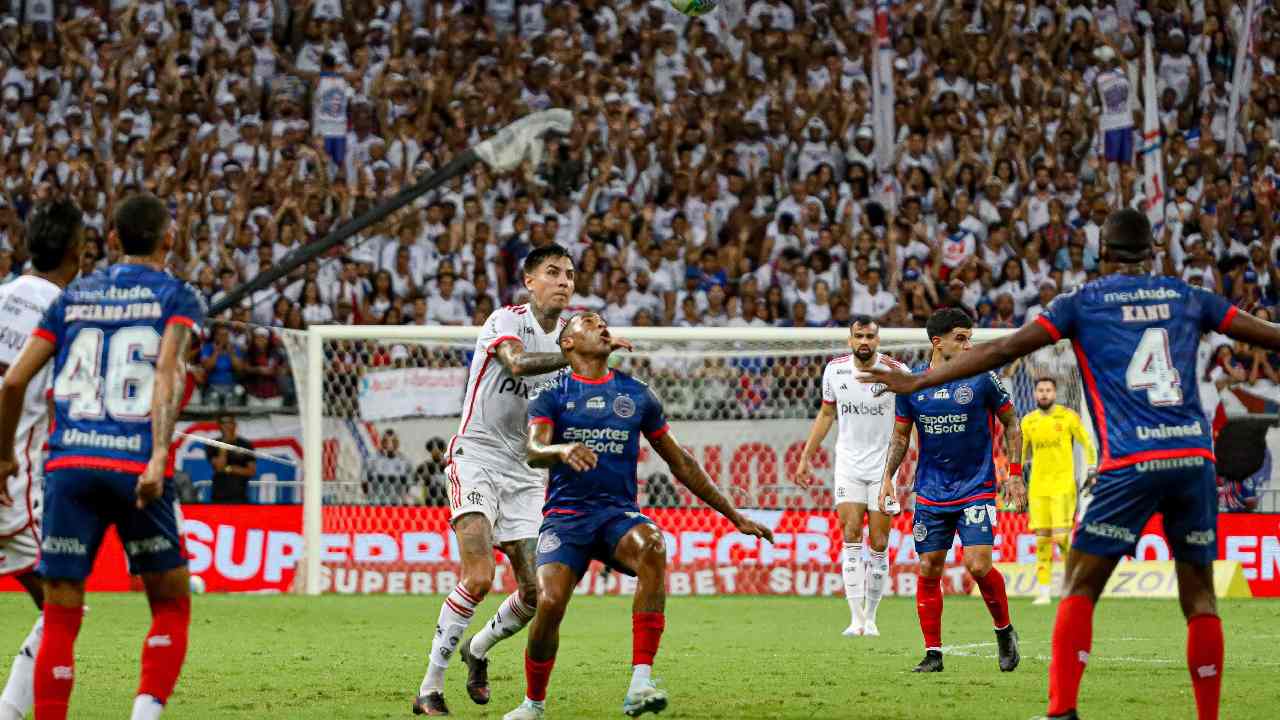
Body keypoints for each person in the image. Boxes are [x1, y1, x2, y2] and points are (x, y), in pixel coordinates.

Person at [861, 208, 1280, 720]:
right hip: (1193, 459)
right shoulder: (1188, 296)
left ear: (1100, 253)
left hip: (1131, 462)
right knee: (1200, 600)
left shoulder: (1083, 302)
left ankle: (1061, 712)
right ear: (1153, 252)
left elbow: (1007, 349)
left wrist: (918, 381)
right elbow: (1267, 334)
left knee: (1079, 586)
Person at [502, 313, 773, 720]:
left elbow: (680, 462)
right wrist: (561, 450)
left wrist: (733, 515)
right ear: (568, 344)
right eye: (589, 322)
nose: (601, 326)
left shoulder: (637, 394)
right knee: (551, 601)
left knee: (653, 545)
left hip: (617, 516)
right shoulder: (552, 393)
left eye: (604, 322)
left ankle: (640, 683)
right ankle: (533, 704)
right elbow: (533, 449)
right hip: (565, 519)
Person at [0, 193, 206, 720]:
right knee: (157, 604)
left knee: (60, 610)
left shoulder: (64, 297)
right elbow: (163, 374)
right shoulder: (172, 296)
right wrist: (160, 453)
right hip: (111, 465)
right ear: (169, 239)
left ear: (110, 240)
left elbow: (18, 379)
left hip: (66, 469)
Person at [414, 245, 631, 716]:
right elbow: (515, 363)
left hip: (527, 472)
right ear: (530, 281)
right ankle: (430, 686)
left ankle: (478, 649)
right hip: (476, 456)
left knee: (540, 593)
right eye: (552, 273)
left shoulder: (577, 340)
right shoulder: (506, 320)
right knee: (479, 576)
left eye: (570, 275)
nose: (564, 282)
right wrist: (572, 355)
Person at [878, 308, 1026, 674]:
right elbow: (900, 436)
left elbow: (1012, 422)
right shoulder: (912, 386)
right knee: (929, 567)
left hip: (976, 486)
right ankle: (933, 653)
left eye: (969, 337)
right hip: (930, 490)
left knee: (977, 565)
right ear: (937, 342)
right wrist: (887, 478)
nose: (968, 344)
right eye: (961, 338)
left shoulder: (982, 379)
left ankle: (1004, 631)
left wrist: (1015, 473)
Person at [0, 198, 84, 720]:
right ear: (78, 251)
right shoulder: (64, 314)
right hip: (10, 483)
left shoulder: (3, 295)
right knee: (63, 607)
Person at [793, 316, 906, 637]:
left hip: (885, 468)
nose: (864, 341)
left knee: (880, 542)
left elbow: (910, 417)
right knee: (851, 533)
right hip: (849, 465)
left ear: (878, 340)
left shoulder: (897, 373)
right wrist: (806, 457)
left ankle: (872, 617)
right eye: (859, 335)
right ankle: (855, 618)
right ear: (850, 340)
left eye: (870, 335)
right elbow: (827, 413)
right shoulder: (834, 370)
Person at [1020, 377, 1097, 605]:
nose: (1044, 394)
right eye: (1040, 390)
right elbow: (1021, 454)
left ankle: (1071, 585)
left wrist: (1092, 468)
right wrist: (1012, 478)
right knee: (1042, 539)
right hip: (1038, 488)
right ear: (1035, 394)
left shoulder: (1068, 416)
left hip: (1062, 486)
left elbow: (1088, 443)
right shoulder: (1028, 422)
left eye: (1048, 390)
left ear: (1055, 393)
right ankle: (1044, 590)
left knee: (1062, 537)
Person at [208, 415, 257, 504]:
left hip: (240, 493)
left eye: (229, 422)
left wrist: (229, 468)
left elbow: (251, 471)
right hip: (219, 494)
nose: (227, 426)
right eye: (223, 423)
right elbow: (219, 467)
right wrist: (224, 444)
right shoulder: (213, 444)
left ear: (235, 425)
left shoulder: (245, 445)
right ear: (219, 426)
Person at [362, 430, 414, 505]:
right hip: (376, 502)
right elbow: (364, 481)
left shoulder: (405, 462)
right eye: (386, 441)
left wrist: (403, 498)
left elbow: (409, 483)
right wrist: (369, 498)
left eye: (393, 441)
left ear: (397, 443)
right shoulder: (371, 460)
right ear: (382, 442)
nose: (390, 444)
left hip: (396, 503)